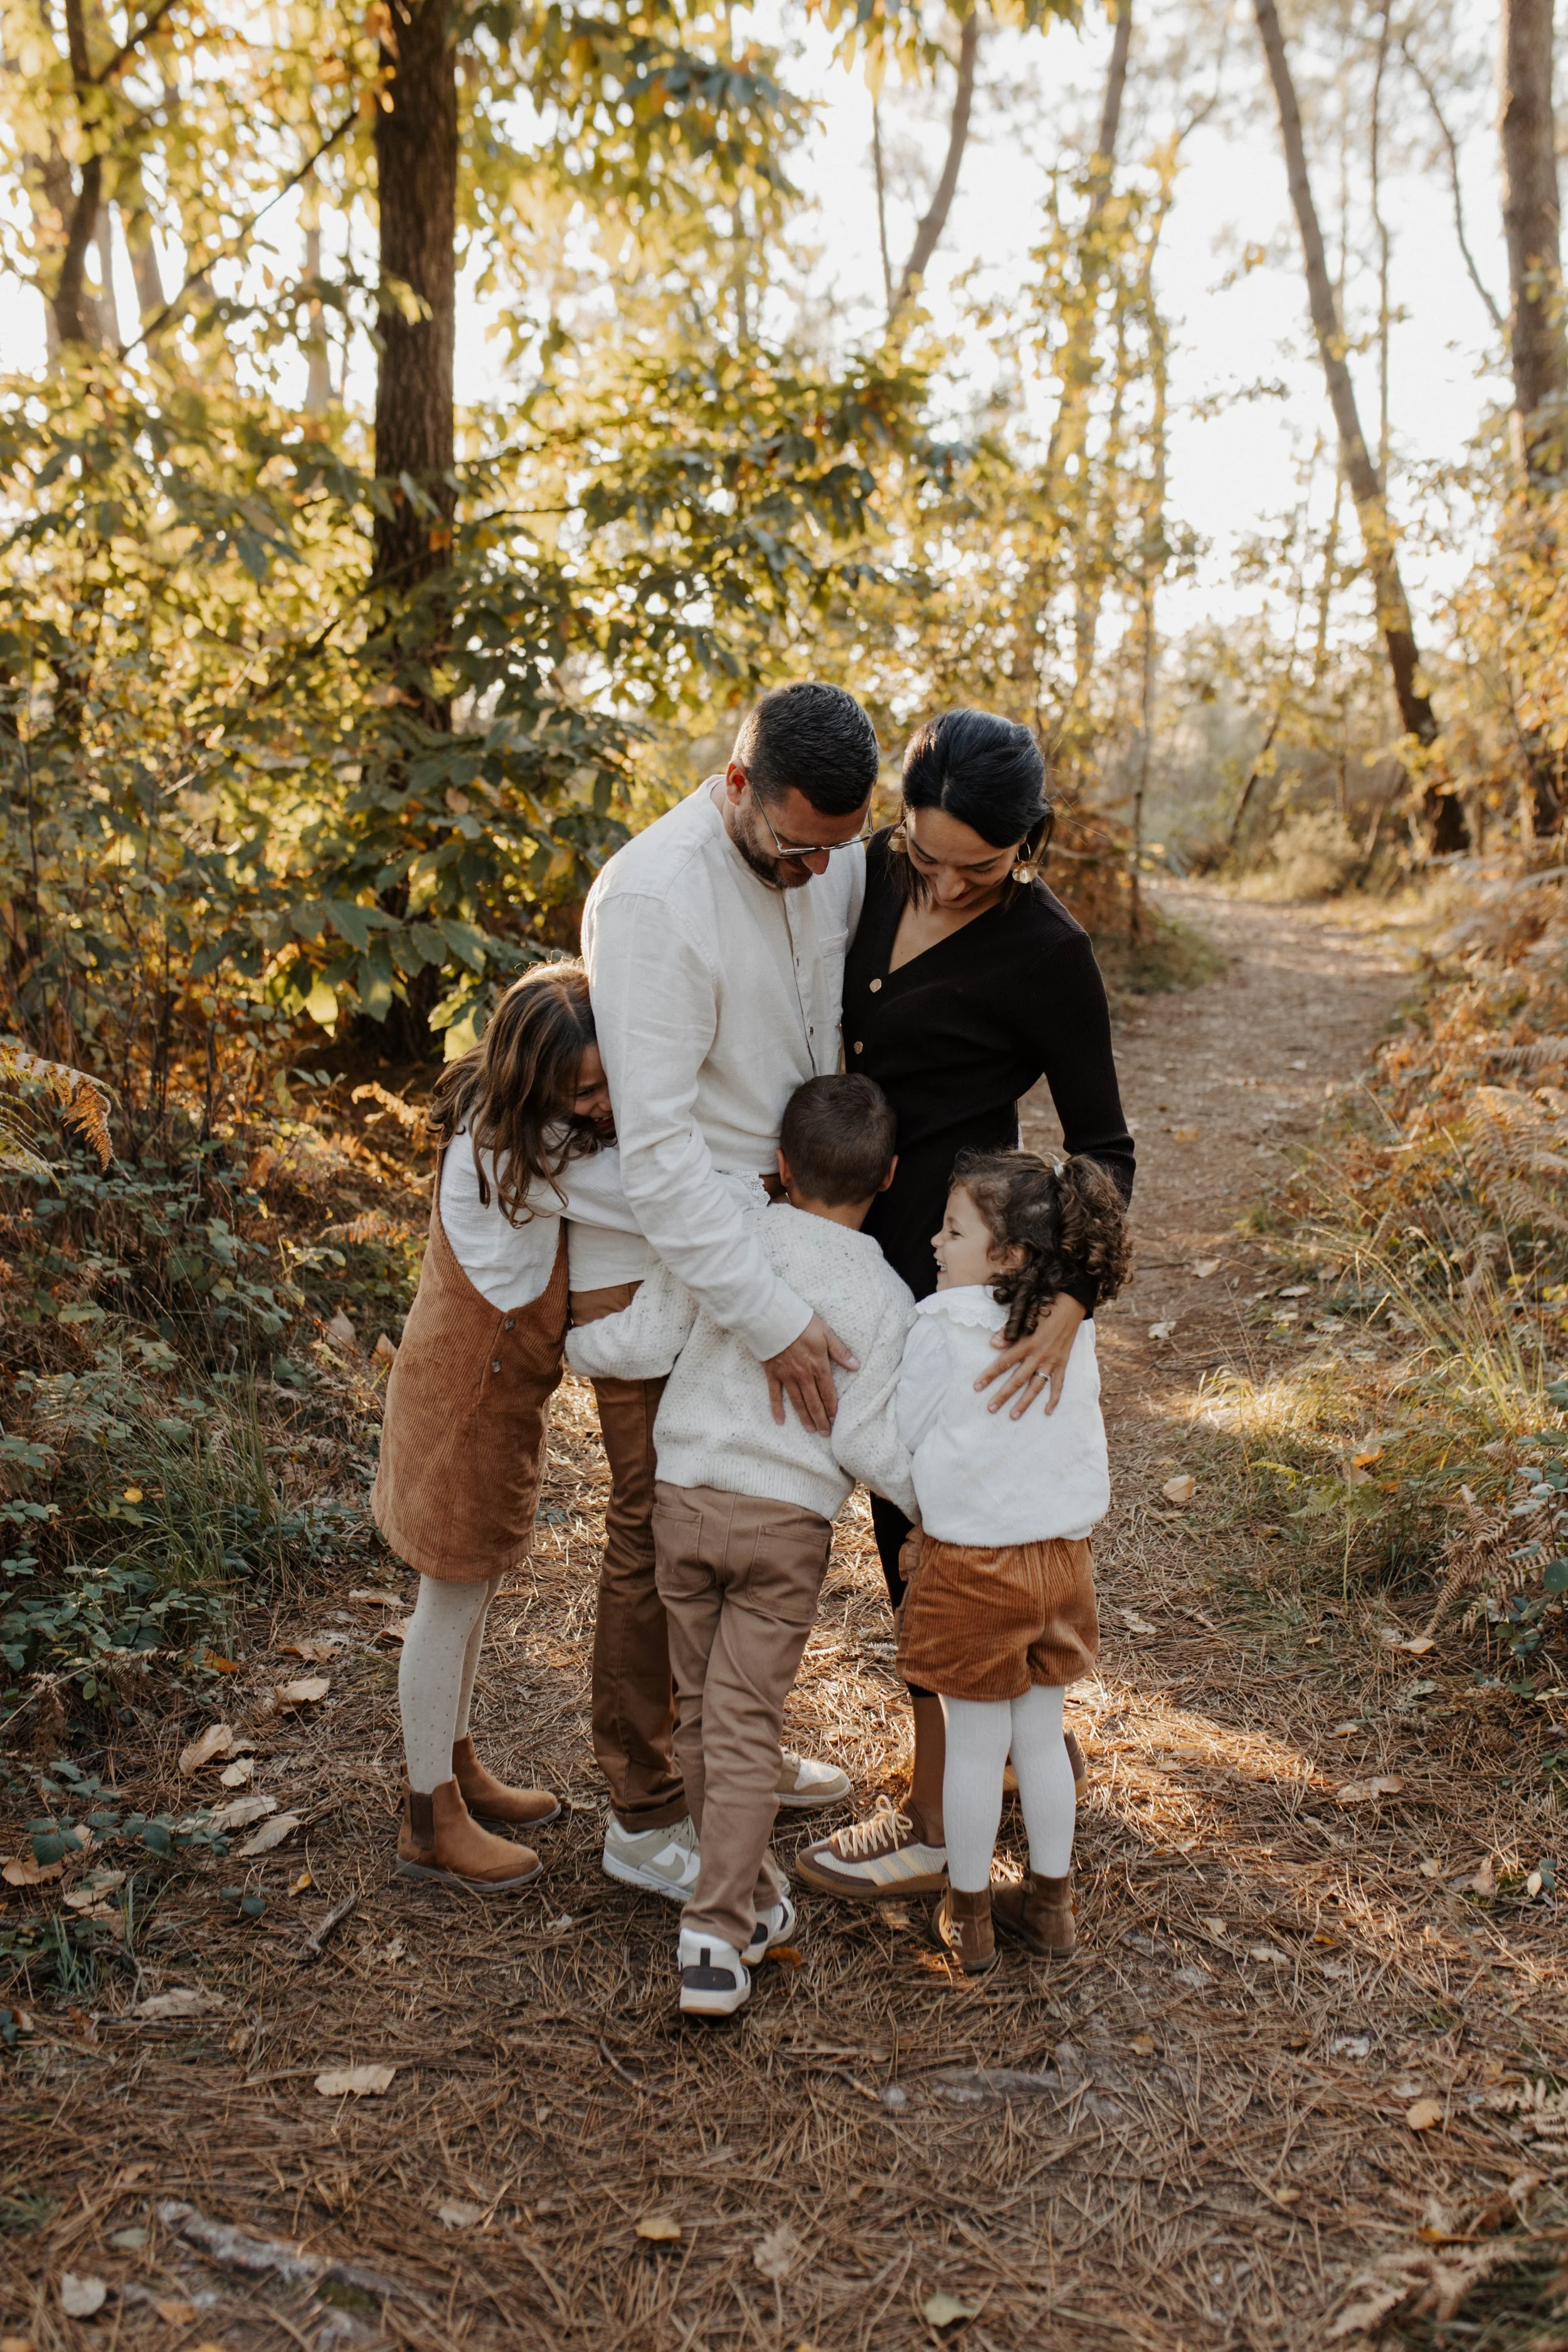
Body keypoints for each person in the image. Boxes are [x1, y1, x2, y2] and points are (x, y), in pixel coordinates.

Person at [799, 709, 1135, 1901]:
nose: (940, 881)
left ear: (1027, 844)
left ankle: (940, 1815)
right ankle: (994, 1756)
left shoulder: (1049, 952)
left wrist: (1072, 1303)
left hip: (954, 1268)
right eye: (925, 852)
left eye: (976, 868)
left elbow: (1107, 1149)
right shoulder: (868, 869)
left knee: (929, 1538)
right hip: (835, 1231)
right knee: (878, 1514)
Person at [578, 680, 881, 1901]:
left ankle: (727, 1755)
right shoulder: (655, 900)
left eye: (836, 853)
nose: (817, 874)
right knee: (657, 1524)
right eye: (795, 848)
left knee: (750, 1517)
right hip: (662, 1251)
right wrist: (770, 1318)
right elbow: (653, 1160)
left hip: (776, 1233)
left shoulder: (829, 856)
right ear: (735, 785)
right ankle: (644, 1811)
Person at [566, 1075, 917, 2016]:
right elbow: (870, 1444)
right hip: (781, 1530)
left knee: (700, 1718)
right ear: (888, 1175)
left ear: (780, 1165)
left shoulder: (734, 1242)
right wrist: (949, 1507)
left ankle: (755, 1895)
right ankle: (714, 1932)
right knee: (747, 1719)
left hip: (680, 1505)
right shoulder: (887, 1298)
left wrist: (574, 1346)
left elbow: (646, 1339)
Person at [373, 960, 646, 1894]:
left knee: (473, 1587)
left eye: (612, 1079)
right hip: (464, 1405)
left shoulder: (523, 1126)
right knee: (447, 1601)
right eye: (587, 1090)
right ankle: (428, 1817)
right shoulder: (524, 1151)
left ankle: (456, 1763)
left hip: (482, 1394)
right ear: (538, 1087)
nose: (605, 1104)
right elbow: (644, 1199)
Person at [893, 1148, 1131, 1973]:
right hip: (1064, 1563)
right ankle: (1052, 1904)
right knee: (1040, 1735)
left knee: (973, 1744)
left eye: (954, 1230)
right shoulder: (1075, 1327)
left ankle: (970, 1920)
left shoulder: (939, 1325)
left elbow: (908, 1437)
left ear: (1008, 1255)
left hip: (975, 1568)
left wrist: (926, 1512)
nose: (934, 1240)